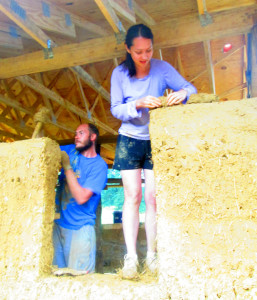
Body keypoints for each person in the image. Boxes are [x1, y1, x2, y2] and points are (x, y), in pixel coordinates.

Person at [110, 24, 197, 279]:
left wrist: (182, 94)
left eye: (148, 50)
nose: (144, 56)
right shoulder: (119, 74)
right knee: (133, 196)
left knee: (153, 198)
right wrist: (136, 103)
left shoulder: (162, 68)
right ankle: (131, 258)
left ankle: (152, 256)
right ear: (128, 49)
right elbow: (116, 109)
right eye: (138, 52)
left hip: (155, 139)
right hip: (129, 138)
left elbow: (190, 88)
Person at [53, 123, 108, 273]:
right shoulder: (70, 150)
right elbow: (43, 150)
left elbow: (81, 197)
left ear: (93, 137)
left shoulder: (99, 166)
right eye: (75, 133)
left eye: (81, 133)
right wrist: (39, 137)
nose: (76, 136)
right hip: (57, 226)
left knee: (78, 282)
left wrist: (67, 167)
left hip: (80, 229)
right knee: (54, 279)